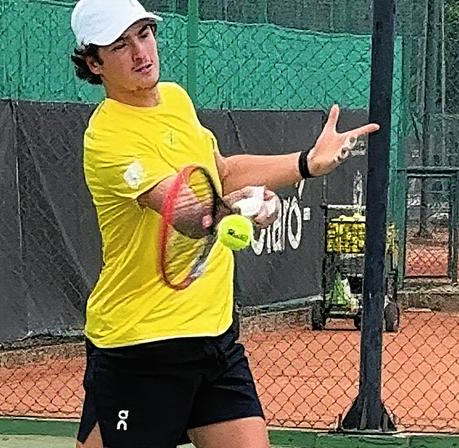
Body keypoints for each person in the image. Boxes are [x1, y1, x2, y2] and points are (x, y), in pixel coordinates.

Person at [70, 0, 380, 446]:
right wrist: (241, 208)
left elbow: (223, 171)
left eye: (144, 34)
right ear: (94, 63)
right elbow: (188, 214)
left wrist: (307, 163)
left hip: (214, 337)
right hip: (141, 345)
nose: (141, 52)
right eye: (121, 45)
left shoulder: (175, 99)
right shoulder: (108, 139)